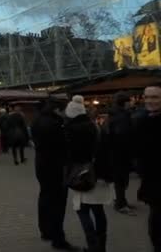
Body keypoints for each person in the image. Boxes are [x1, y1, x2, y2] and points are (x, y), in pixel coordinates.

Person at [65, 95, 113, 252]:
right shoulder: (95, 126)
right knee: (98, 210)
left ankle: (93, 246)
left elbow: (69, 156)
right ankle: (102, 246)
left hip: (81, 175)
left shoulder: (69, 130)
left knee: (81, 209)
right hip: (98, 173)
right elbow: (105, 150)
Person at [31, 99, 78, 251]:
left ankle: (45, 231)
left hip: (41, 164)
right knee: (58, 203)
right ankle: (58, 238)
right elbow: (64, 145)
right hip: (56, 167)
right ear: (57, 110)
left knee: (45, 197)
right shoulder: (56, 124)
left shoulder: (37, 120)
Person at [135, 86, 161, 251]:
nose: (150, 101)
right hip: (153, 185)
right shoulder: (142, 120)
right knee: (156, 228)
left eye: (155, 97)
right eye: (147, 97)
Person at [106, 92, 136, 215]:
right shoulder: (121, 117)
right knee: (121, 180)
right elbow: (121, 136)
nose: (132, 102)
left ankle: (121, 201)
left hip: (116, 153)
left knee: (121, 180)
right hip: (120, 154)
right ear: (126, 103)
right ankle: (120, 204)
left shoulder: (116, 114)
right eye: (130, 101)